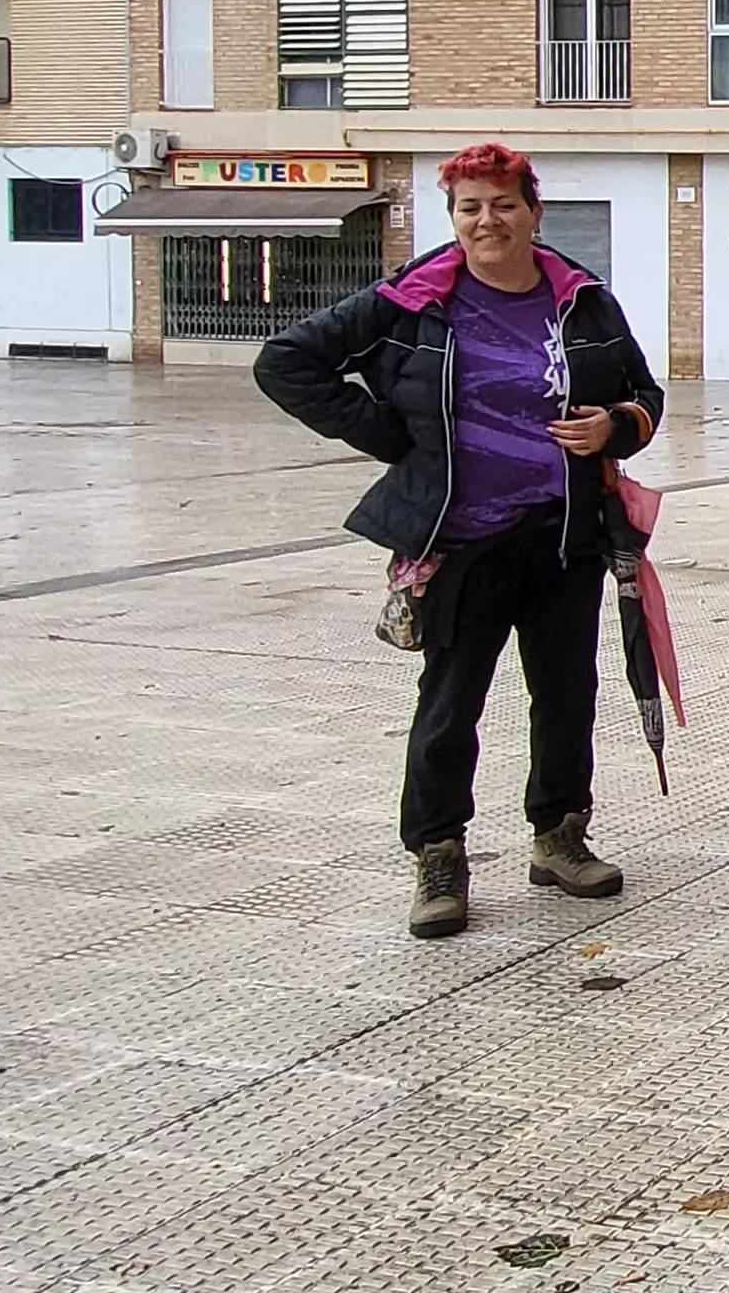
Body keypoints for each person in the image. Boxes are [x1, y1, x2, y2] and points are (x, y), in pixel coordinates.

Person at [255, 143, 665, 940]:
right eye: (470, 207)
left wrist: (614, 426)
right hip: (461, 542)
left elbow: (644, 394)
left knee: (567, 698)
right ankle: (439, 856)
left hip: (562, 538)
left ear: (534, 211)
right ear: (452, 218)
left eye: (503, 204)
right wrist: (399, 441)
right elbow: (287, 363)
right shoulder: (414, 300)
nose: (488, 221)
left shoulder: (583, 301)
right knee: (449, 709)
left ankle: (559, 836)